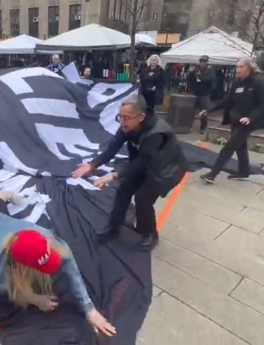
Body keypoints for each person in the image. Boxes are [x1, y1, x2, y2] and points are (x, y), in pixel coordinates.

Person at [0, 191, 116, 337]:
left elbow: (71, 270)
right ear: (22, 269)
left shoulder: (50, 240)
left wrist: (90, 311)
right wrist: (34, 299)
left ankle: (0, 196)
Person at [72, 97, 188, 249]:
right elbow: (113, 148)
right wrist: (92, 165)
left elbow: (143, 161)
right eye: (120, 117)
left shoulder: (157, 132)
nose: (122, 122)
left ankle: (151, 234)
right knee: (124, 189)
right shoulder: (127, 127)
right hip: (145, 163)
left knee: (143, 198)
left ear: (141, 117)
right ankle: (113, 228)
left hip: (165, 169)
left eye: (126, 118)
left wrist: (114, 174)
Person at [199, 57, 264, 183]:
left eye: (241, 67)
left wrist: (251, 117)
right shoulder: (238, 82)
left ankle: (212, 174)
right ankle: (244, 172)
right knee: (240, 146)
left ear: (249, 68)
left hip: (249, 122)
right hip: (236, 119)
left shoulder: (258, 83)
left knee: (229, 147)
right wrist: (209, 110)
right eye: (237, 67)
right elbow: (227, 100)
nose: (237, 69)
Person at [187, 55, 216, 133]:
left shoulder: (210, 69)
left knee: (203, 112)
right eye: (201, 61)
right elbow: (189, 80)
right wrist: (190, 73)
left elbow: (210, 80)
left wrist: (200, 76)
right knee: (191, 110)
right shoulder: (196, 68)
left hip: (205, 93)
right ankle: (188, 126)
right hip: (195, 92)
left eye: (204, 61)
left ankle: (203, 128)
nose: (202, 62)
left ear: (207, 62)